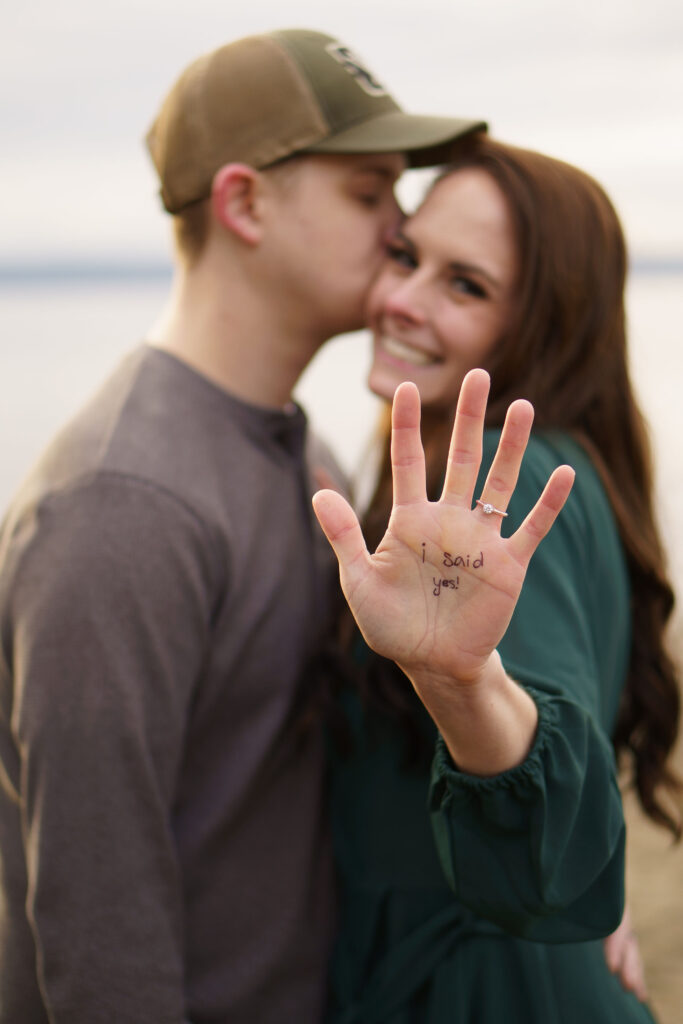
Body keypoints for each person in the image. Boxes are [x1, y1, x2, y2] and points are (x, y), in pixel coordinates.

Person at [0, 29, 485, 1024]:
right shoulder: (120, 504)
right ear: (242, 203)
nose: (398, 226)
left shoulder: (289, 443)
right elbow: (97, 932)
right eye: (366, 191)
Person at [312, 135, 681, 1022]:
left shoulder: (512, 498)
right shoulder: (461, 477)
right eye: (406, 256)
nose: (399, 299)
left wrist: (461, 680)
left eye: (464, 285)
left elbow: (541, 743)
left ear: (542, 323)